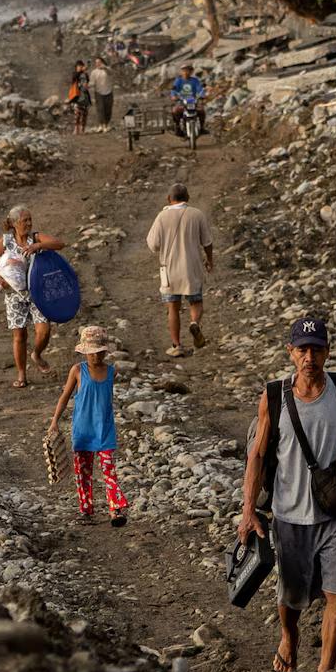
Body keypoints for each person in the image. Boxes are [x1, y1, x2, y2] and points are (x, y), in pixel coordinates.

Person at [237, 317, 336, 672]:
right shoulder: (273, 396)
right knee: (291, 596)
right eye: (302, 349)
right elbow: (257, 455)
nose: (309, 357)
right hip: (289, 512)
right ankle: (289, 636)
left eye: (316, 349)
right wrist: (248, 511)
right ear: (290, 353)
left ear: (327, 352)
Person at [48, 325, 128, 526]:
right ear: (84, 352)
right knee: (83, 473)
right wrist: (54, 421)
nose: (95, 357)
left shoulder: (111, 371)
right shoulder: (78, 370)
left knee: (109, 470)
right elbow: (65, 396)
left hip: (105, 429)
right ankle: (86, 510)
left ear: (104, 351)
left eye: (99, 352)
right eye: (91, 353)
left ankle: (115, 510)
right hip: (83, 430)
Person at [0, 205, 64, 388]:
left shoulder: (35, 237)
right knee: (19, 335)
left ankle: (36, 354)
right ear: (13, 223)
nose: (28, 223)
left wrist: (38, 246)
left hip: (37, 292)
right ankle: (22, 375)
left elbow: (60, 243)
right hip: (14, 294)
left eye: (30, 219)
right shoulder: (5, 241)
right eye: (24, 220)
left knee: (44, 330)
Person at [144, 182, 213, 357]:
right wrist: (209, 260)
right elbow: (207, 242)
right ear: (188, 197)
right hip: (192, 268)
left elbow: (153, 245)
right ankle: (194, 322)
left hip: (169, 270)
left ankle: (176, 345)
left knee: (173, 308)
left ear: (169, 198)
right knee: (195, 302)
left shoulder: (161, 217)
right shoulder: (197, 214)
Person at [168, 64, 207, 137]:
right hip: (181, 101)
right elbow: (174, 89)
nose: (186, 72)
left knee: (201, 111)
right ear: (181, 72)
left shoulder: (195, 80)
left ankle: (201, 128)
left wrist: (202, 95)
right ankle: (177, 127)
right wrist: (173, 96)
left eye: (188, 70)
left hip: (193, 101)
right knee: (175, 111)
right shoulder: (178, 80)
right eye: (184, 70)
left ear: (191, 72)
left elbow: (200, 89)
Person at [88, 56, 115, 130]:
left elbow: (111, 72)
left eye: (99, 62)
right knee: (100, 109)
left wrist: (105, 67)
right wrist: (87, 86)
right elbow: (92, 82)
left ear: (102, 62)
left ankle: (106, 124)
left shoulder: (107, 70)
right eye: (96, 63)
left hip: (108, 92)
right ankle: (101, 124)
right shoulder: (94, 72)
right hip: (98, 93)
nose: (98, 64)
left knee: (108, 109)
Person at [66, 60, 91, 135]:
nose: (80, 67)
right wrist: (80, 71)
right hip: (77, 95)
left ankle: (83, 129)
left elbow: (87, 81)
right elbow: (74, 78)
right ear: (76, 67)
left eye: (81, 66)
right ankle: (76, 128)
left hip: (85, 95)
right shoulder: (75, 74)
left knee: (85, 113)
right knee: (77, 113)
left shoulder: (85, 74)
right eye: (79, 66)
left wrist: (87, 84)